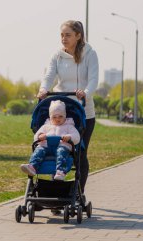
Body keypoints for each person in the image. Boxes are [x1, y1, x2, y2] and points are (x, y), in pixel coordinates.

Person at [37, 20, 98, 192]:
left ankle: (78, 192)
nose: (63, 38)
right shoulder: (57, 55)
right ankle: (55, 194)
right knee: (55, 149)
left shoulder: (90, 54)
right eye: (62, 35)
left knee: (79, 154)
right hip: (61, 108)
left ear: (78, 36)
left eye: (68, 35)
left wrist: (86, 92)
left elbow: (93, 79)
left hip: (83, 111)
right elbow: (49, 75)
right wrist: (43, 89)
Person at [20, 100, 80, 181]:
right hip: (46, 147)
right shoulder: (46, 126)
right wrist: (40, 136)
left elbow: (77, 137)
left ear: (65, 116)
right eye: (54, 117)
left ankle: (60, 171)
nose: (57, 119)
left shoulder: (69, 126)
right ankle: (32, 167)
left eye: (60, 116)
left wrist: (69, 137)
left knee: (61, 152)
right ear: (50, 117)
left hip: (62, 146)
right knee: (39, 150)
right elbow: (36, 136)